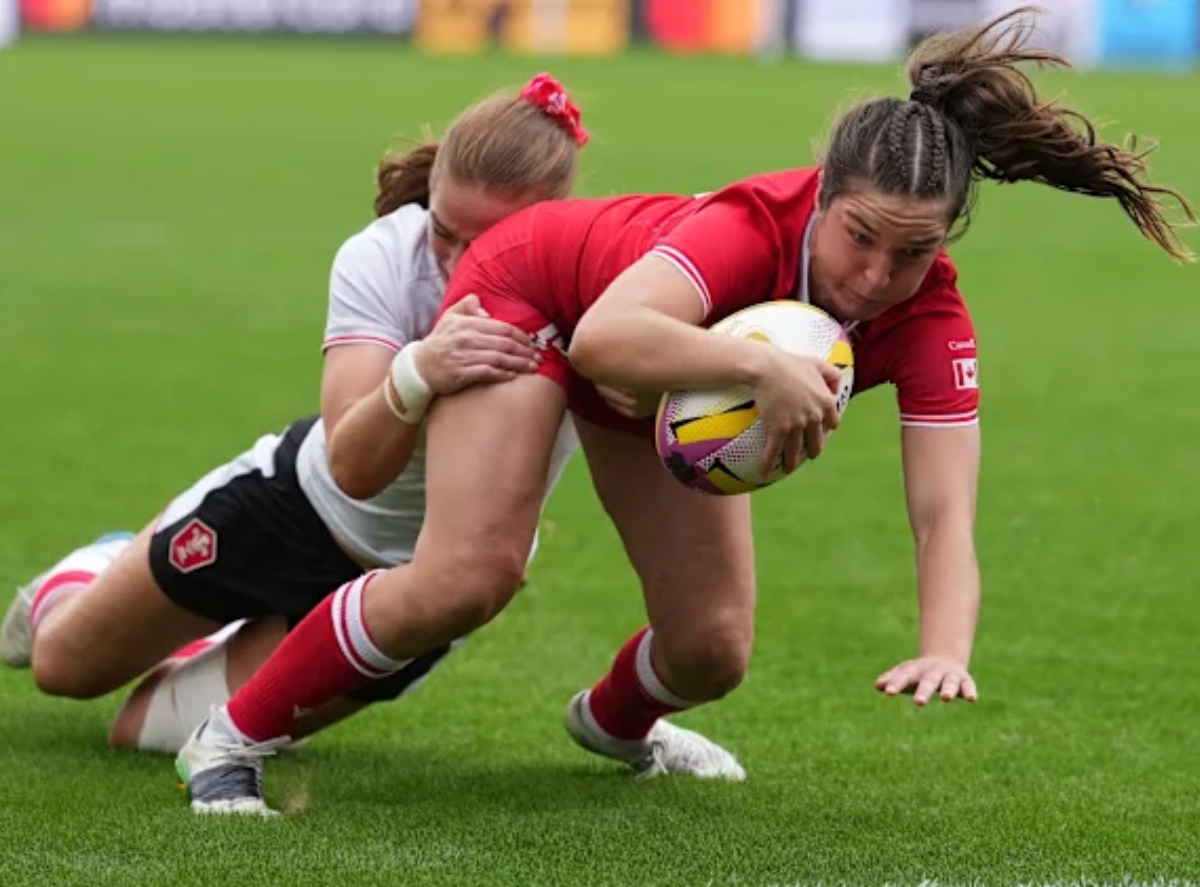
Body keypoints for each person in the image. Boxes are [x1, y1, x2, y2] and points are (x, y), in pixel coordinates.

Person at [177, 6, 1196, 815]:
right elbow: (608, 339)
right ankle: (231, 739)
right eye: (858, 239)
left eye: (914, 251)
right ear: (820, 195)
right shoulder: (749, 224)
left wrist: (947, 645)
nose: (876, 276)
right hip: (539, 297)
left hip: (655, 372)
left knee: (711, 650)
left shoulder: (931, 316)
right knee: (469, 575)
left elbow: (944, 513)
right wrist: (760, 371)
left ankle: (615, 726)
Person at [0, 72, 589, 755]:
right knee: (62, 668)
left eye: (483, 241)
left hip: (407, 591)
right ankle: (101, 566)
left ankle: (229, 636)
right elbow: (352, 465)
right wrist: (423, 367)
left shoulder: (591, 282)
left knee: (144, 734)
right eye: (443, 230)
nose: (454, 261)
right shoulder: (384, 256)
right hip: (295, 511)